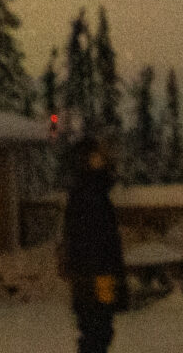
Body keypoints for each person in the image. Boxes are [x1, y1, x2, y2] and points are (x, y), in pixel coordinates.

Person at [59, 135, 127, 353]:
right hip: (92, 272)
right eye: (97, 156)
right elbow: (84, 235)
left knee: (101, 327)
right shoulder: (86, 192)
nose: (102, 159)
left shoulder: (96, 190)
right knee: (95, 327)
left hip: (100, 271)